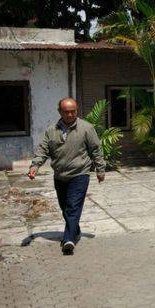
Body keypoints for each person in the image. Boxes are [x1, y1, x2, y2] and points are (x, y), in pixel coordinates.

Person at [27, 97, 106, 255]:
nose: (70, 115)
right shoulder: (52, 131)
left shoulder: (86, 128)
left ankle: (68, 239)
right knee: (65, 208)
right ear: (60, 112)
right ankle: (75, 230)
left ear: (76, 110)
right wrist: (35, 165)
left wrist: (100, 169)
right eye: (66, 112)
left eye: (73, 111)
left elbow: (96, 150)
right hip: (60, 175)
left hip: (80, 174)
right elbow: (43, 150)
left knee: (72, 207)